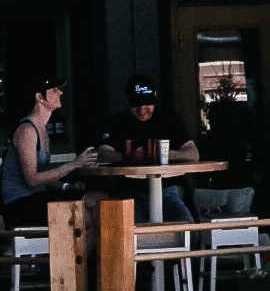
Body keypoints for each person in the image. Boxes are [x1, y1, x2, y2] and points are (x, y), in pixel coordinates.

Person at [97, 79, 198, 220]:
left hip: (168, 189)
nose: (142, 109)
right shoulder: (118, 122)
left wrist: (161, 153)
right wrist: (128, 155)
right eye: (136, 104)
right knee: (125, 233)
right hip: (129, 191)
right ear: (127, 101)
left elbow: (193, 154)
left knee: (188, 228)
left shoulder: (169, 118)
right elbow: (103, 154)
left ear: (155, 98)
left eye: (147, 103)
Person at [1, 80, 97, 225]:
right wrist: (74, 164)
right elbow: (32, 179)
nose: (60, 92)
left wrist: (66, 187)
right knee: (89, 218)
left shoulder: (42, 129)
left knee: (98, 200)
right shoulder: (27, 130)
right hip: (20, 204)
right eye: (54, 90)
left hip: (39, 196)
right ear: (40, 97)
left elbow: (43, 175)